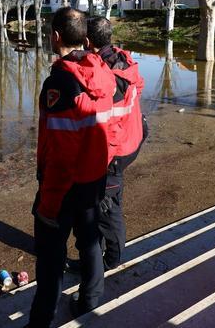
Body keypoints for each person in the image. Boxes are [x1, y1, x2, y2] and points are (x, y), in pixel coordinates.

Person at [28, 7, 117, 328]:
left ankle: (40, 322)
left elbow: (61, 155)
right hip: (94, 179)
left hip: (65, 188)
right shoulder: (104, 73)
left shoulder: (61, 84)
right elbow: (112, 131)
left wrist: (48, 205)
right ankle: (90, 303)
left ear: (55, 37)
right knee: (90, 241)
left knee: (50, 261)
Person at [85, 16, 148, 271]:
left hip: (114, 153)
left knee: (107, 210)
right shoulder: (123, 60)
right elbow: (139, 89)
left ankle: (112, 261)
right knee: (108, 202)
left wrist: (102, 158)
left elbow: (108, 123)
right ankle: (98, 255)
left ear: (88, 42)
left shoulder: (107, 76)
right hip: (131, 142)